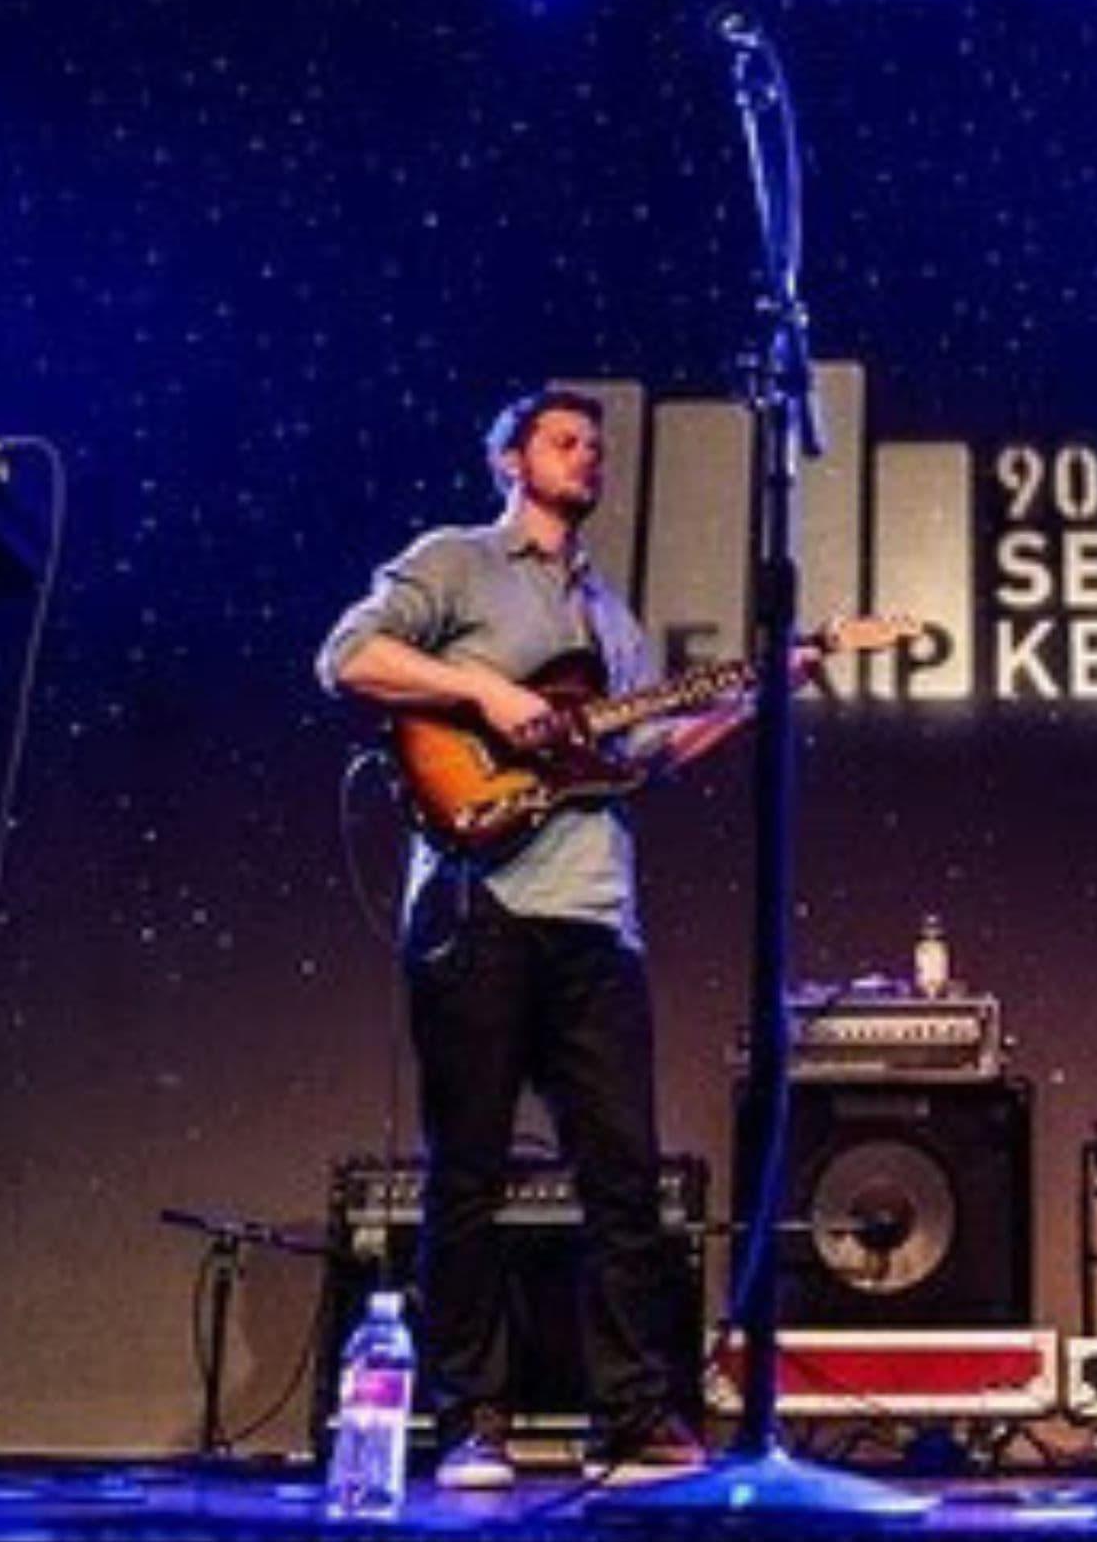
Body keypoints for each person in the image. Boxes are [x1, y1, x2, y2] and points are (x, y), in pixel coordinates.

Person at [315, 388, 757, 1487]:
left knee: (623, 1175)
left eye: (598, 447)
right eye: (566, 442)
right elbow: (348, 658)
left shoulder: (615, 617)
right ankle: (472, 1420)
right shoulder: (458, 561)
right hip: (479, 908)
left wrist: (758, 693)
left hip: (598, 918)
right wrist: (480, 689)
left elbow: (642, 756)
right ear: (510, 458)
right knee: (467, 1172)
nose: (588, 458)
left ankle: (637, 1419)